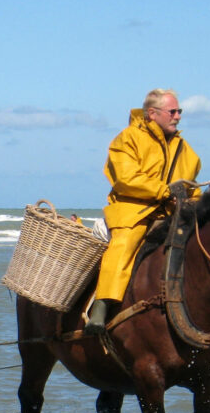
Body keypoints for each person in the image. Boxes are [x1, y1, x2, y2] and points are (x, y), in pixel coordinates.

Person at [84, 89, 199, 334]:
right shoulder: (127, 139)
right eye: (173, 111)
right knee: (124, 245)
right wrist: (165, 191)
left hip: (171, 214)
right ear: (152, 113)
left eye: (180, 111)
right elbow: (126, 179)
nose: (178, 116)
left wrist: (198, 202)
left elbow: (191, 186)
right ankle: (100, 309)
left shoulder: (184, 148)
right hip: (133, 211)